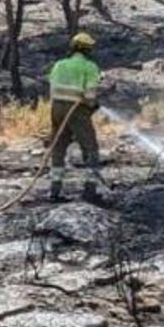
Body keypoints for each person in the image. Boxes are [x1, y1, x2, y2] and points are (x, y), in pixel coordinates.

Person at [45, 32, 103, 204]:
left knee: (58, 146)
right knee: (90, 147)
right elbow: (90, 96)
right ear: (88, 49)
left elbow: (53, 88)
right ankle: (90, 190)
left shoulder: (59, 65)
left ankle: (55, 190)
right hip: (77, 109)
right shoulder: (90, 67)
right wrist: (93, 105)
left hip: (56, 108)